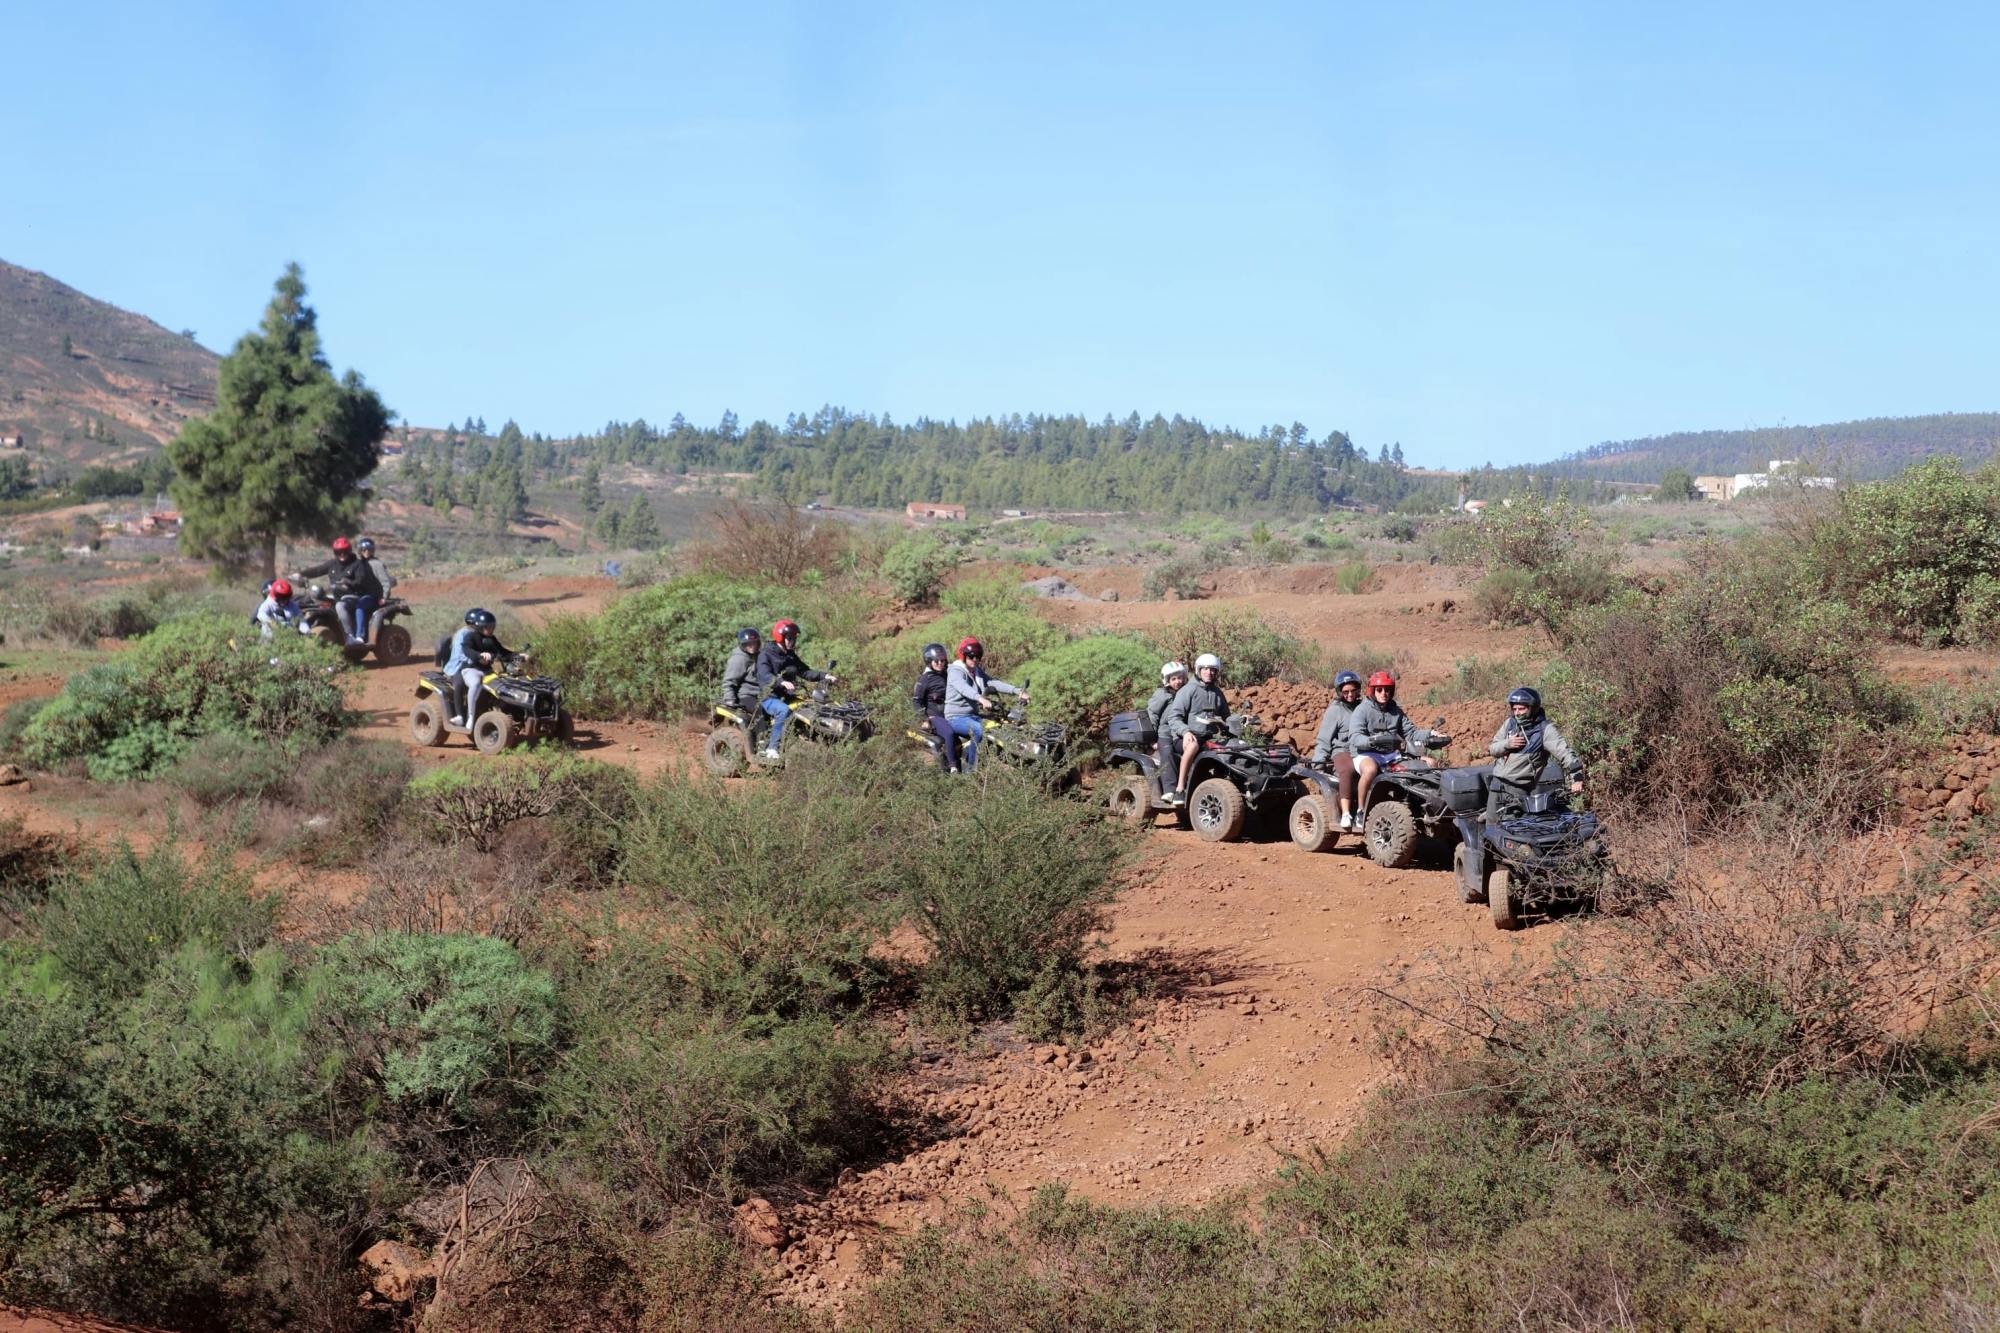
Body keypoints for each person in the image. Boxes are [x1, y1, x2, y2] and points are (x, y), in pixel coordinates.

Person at [1348, 671, 1449, 815]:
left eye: (1387, 690)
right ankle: (1361, 810)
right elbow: (1355, 737)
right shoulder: (1362, 710)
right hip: (1366, 753)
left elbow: (1411, 733)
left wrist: (1431, 734)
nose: (1384, 693)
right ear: (1372, 691)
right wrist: (1372, 741)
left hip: (1391, 754)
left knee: (1427, 765)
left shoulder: (1396, 711)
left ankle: (1423, 807)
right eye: (1380, 690)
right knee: (1370, 770)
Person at [1486, 686, 1585, 821]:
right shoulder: (1510, 723)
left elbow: (1565, 752)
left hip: (1518, 790)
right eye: (1514, 709)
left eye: (1521, 709)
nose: (1517, 713)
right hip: (1497, 786)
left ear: (1533, 708)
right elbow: (1492, 749)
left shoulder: (1545, 730)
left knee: (1511, 830)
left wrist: (1577, 778)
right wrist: (1507, 744)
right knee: (1491, 827)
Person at [943, 637, 1026, 771]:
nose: (975, 659)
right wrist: (980, 699)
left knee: (1000, 727)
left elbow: (992, 682)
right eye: (971, 656)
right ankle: (971, 772)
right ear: (963, 655)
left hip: (973, 716)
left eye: (978, 656)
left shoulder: (976, 671)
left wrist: (1017, 691)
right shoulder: (955, 671)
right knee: (979, 731)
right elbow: (963, 688)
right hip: (956, 717)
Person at [754, 618, 828, 761]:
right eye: (790, 638)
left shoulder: (790, 655)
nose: (793, 641)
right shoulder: (766, 654)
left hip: (787, 697)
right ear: (780, 638)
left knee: (810, 707)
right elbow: (765, 675)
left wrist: (824, 675)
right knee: (783, 710)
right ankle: (772, 748)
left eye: (794, 638)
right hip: (769, 697)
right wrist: (781, 682)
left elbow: (805, 671)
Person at [1162, 652, 1228, 806]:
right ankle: (1180, 789)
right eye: (1205, 669)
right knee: (1192, 746)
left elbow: (1226, 716)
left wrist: (1239, 720)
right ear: (1198, 670)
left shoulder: (1218, 693)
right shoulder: (1188, 690)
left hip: (1208, 737)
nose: (1209, 673)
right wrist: (1185, 732)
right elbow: (1174, 717)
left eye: (1212, 670)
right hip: (1185, 737)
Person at [298, 537, 383, 645]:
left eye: (344, 551)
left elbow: (361, 580)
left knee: (340, 606)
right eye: (338, 552)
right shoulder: (332, 564)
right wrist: (301, 574)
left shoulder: (358, 564)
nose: (342, 554)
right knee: (311, 601)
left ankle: (349, 636)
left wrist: (348, 583)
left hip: (354, 596)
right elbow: (318, 570)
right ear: (335, 552)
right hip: (336, 595)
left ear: (349, 550)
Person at [1309, 669, 1365, 830]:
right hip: (1342, 751)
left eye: (1353, 691)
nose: (1350, 694)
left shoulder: (1364, 707)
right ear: (1339, 692)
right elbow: (1324, 739)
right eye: (1346, 691)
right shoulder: (1335, 710)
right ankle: (1346, 813)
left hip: (1362, 750)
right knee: (1347, 770)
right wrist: (1318, 763)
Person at [441, 608, 513, 726]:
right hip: (457, 667)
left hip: (476, 666)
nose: (488, 628)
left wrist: (515, 656)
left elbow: (500, 651)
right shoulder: (465, 634)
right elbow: (463, 653)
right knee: (459, 684)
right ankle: (461, 716)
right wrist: (479, 657)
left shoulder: (486, 637)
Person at [912, 642, 962, 773]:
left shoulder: (948, 673)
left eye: (942, 660)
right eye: (936, 661)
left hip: (952, 712)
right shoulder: (925, 679)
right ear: (929, 661)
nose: (940, 663)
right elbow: (917, 701)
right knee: (949, 733)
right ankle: (953, 767)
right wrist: (924, 719)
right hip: (935, 716)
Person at [1148, 661, 1188, 776]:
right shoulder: (1162, 694)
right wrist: (1152, 740)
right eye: (1174, 679)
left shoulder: (1187, 693)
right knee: (1167, 755)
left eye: (1180, 678)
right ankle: (1169, 791)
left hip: (1182, 733)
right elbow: (1152, 715)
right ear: (1167, 680)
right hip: (1165, 734)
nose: (1177, 681)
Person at [356, 537, 394, 640]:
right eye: (364, 549)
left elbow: (386, 582)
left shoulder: (377, 564)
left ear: (373, 550)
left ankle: (360, 636)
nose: (366, 552)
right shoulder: (358, 563)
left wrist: (384, 597)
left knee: (360, 606)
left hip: (373, 596)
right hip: (360, 595)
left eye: (369, 549)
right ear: (360, 550)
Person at [719, 627, 761, 714]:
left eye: (755, 643)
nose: (752, 646)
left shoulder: (759, 656)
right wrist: (730, 700)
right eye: (749, 644)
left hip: (759, 694)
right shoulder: (739, 659)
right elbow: (728, 682)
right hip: (745, 695)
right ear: (743, 644)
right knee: (760, 711)